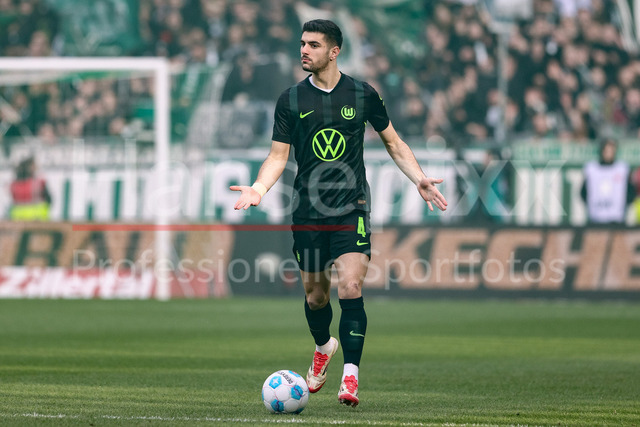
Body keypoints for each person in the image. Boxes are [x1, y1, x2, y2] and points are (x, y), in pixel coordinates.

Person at [230, 19, 447, 407]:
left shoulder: (362, 94)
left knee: (350, 287)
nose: (304, 50)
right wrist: (259, 189)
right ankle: (323, 346)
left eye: (313, 45)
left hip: (351, 206)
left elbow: (394, 142)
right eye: (302, 43)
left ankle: (350, 376)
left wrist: (419, 178)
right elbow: (278, 156)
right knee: (316, 298)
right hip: (307, 210)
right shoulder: (291, 99)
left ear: (334, 52)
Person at [581, 138, 634, 224]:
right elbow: (583, 192)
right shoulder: (592, 169)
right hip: (596, 219)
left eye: (611, 150)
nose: (609, 153)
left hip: (617, 219)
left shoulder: (622, 169)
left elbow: (631, 191)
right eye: (606, 150)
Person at [9, 156, 52, 221]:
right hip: (38, 220)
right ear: (30, 167)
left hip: (17, 221)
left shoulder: (14, 185)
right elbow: (49, 200)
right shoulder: (39, 183)